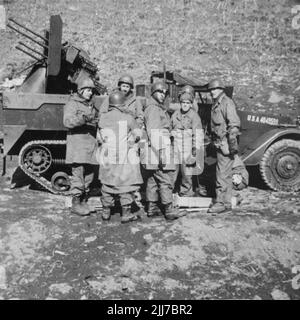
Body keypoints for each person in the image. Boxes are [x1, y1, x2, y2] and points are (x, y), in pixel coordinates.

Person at [142, 80, 187, 220]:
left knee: (153, 180)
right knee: (166, 179)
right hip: (158, 150)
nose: (163, 95)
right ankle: (169, 209)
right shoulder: (154, 110)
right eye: (160, 92)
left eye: (164, 92)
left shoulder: (155, 108)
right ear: (153, 93)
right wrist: (162, 152)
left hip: (152, 151)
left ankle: (152, 208)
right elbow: (154, 132)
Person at [97, 91, 143, 223]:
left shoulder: (103, 117)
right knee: (125, 186)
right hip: (123, 156)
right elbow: (138, 134)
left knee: (107, 184)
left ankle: (106, 212)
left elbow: (99, 136)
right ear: (122, 104)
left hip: (106, 156)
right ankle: (126, 213)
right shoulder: (128, 118)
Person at [63, 77, 98, 216]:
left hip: (90, 146)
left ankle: (83, 201)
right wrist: (83, 119)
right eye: (88, 90)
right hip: (78, 146)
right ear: (81, 90)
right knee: (78, 174)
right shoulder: (72, 104)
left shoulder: (91, 105)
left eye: (91, 91)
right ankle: (75, 203)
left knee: (89, 175)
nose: (90, 93)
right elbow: (67, 122)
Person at [206, 79, 241, 214]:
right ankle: (226, 202)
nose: (212, 92)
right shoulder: (217, 104)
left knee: (221, 174)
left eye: (214, 89)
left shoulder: (226, 103)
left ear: (221, 89)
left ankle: (220, 203)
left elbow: (234, 124)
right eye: (211, 90)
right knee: (225, 174)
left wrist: (231, 145)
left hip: (225, 144)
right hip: (219, 144)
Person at [171, 92, 204, 197]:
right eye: (183, 103)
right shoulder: (175, 114)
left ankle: (186, 193)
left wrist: (195, 149)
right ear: (180, 104)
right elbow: (169, 127)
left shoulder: (194, 116)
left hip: (188, 147)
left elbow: (198, 134)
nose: (185, 105)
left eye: (187, 103)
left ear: (191, 104)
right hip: (175, 146)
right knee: (172, 171)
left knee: (187, 173)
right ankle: (169, 193)